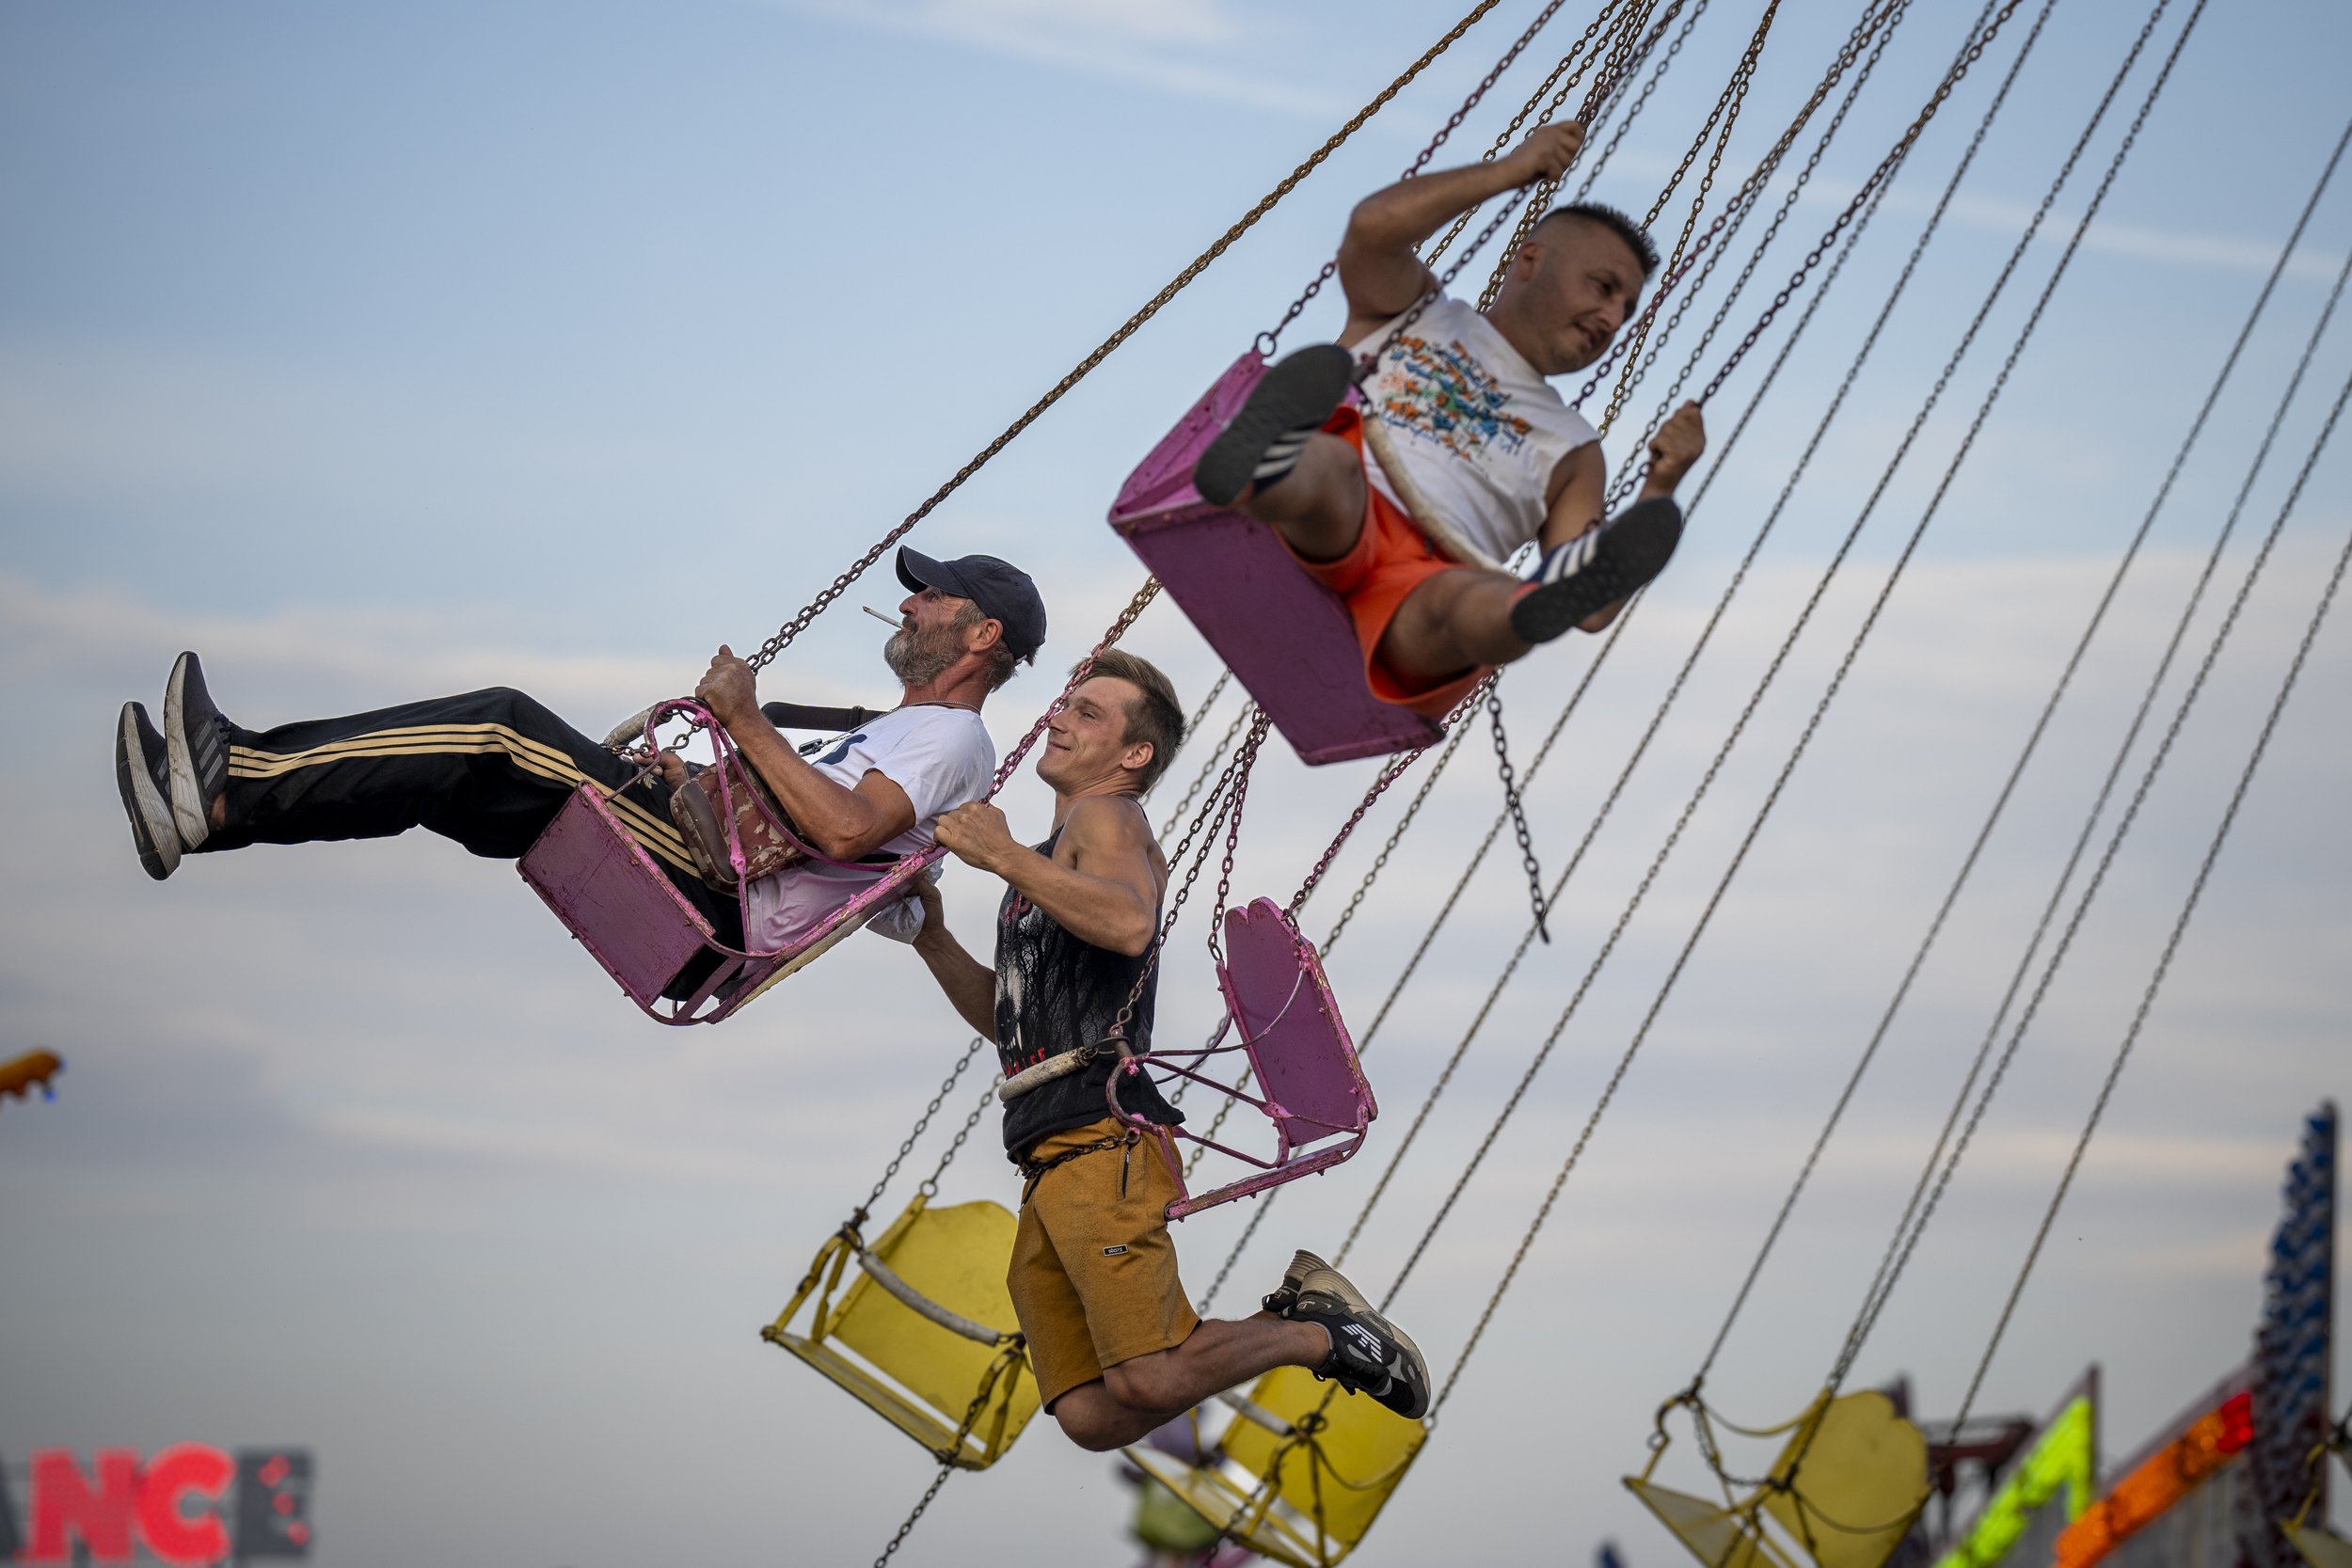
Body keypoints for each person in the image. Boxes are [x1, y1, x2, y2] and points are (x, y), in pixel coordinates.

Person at [906, 647, 1431, 1451]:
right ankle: (1297, 1316)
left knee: (1149, 1376)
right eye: (1064, 703)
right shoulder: (1052, 863)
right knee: (1087, 1411)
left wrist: (1002, 854)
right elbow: (1013, 1022)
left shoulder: (1104, 817)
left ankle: (1321, 1334)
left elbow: (1128, 923)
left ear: (1134, 754)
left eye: (1089, 712)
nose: (1058, 717)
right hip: (1047, 1158)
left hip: (1096, 1141)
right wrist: (933, 937)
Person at [109, 549, 1044, 987]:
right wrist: (697, 773)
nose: (912, 603)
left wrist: (747, 720)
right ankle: (215, 811)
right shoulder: (905, 730)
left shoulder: (953, 742)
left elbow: (841, 830)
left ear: (981, 633)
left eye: (933, 594)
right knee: (453, 778)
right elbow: (809, 814)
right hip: (706, 867)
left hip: (716, 903)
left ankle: (235, 772)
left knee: (499, 724)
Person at [1193, 119, 1708, 720]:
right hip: (1337, 514)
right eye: (1603, 287)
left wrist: (1661, 486)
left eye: (1626, 308)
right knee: (1333, 464)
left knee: (1469, 600)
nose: (1612, 316)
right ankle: (1269, 461)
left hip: (1416, 592)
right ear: (1530, 260)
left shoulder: (1575, 451)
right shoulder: (1417, 311)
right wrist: (1511, 170)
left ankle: (1534, 601)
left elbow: (1592, 611)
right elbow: (1371, 229)